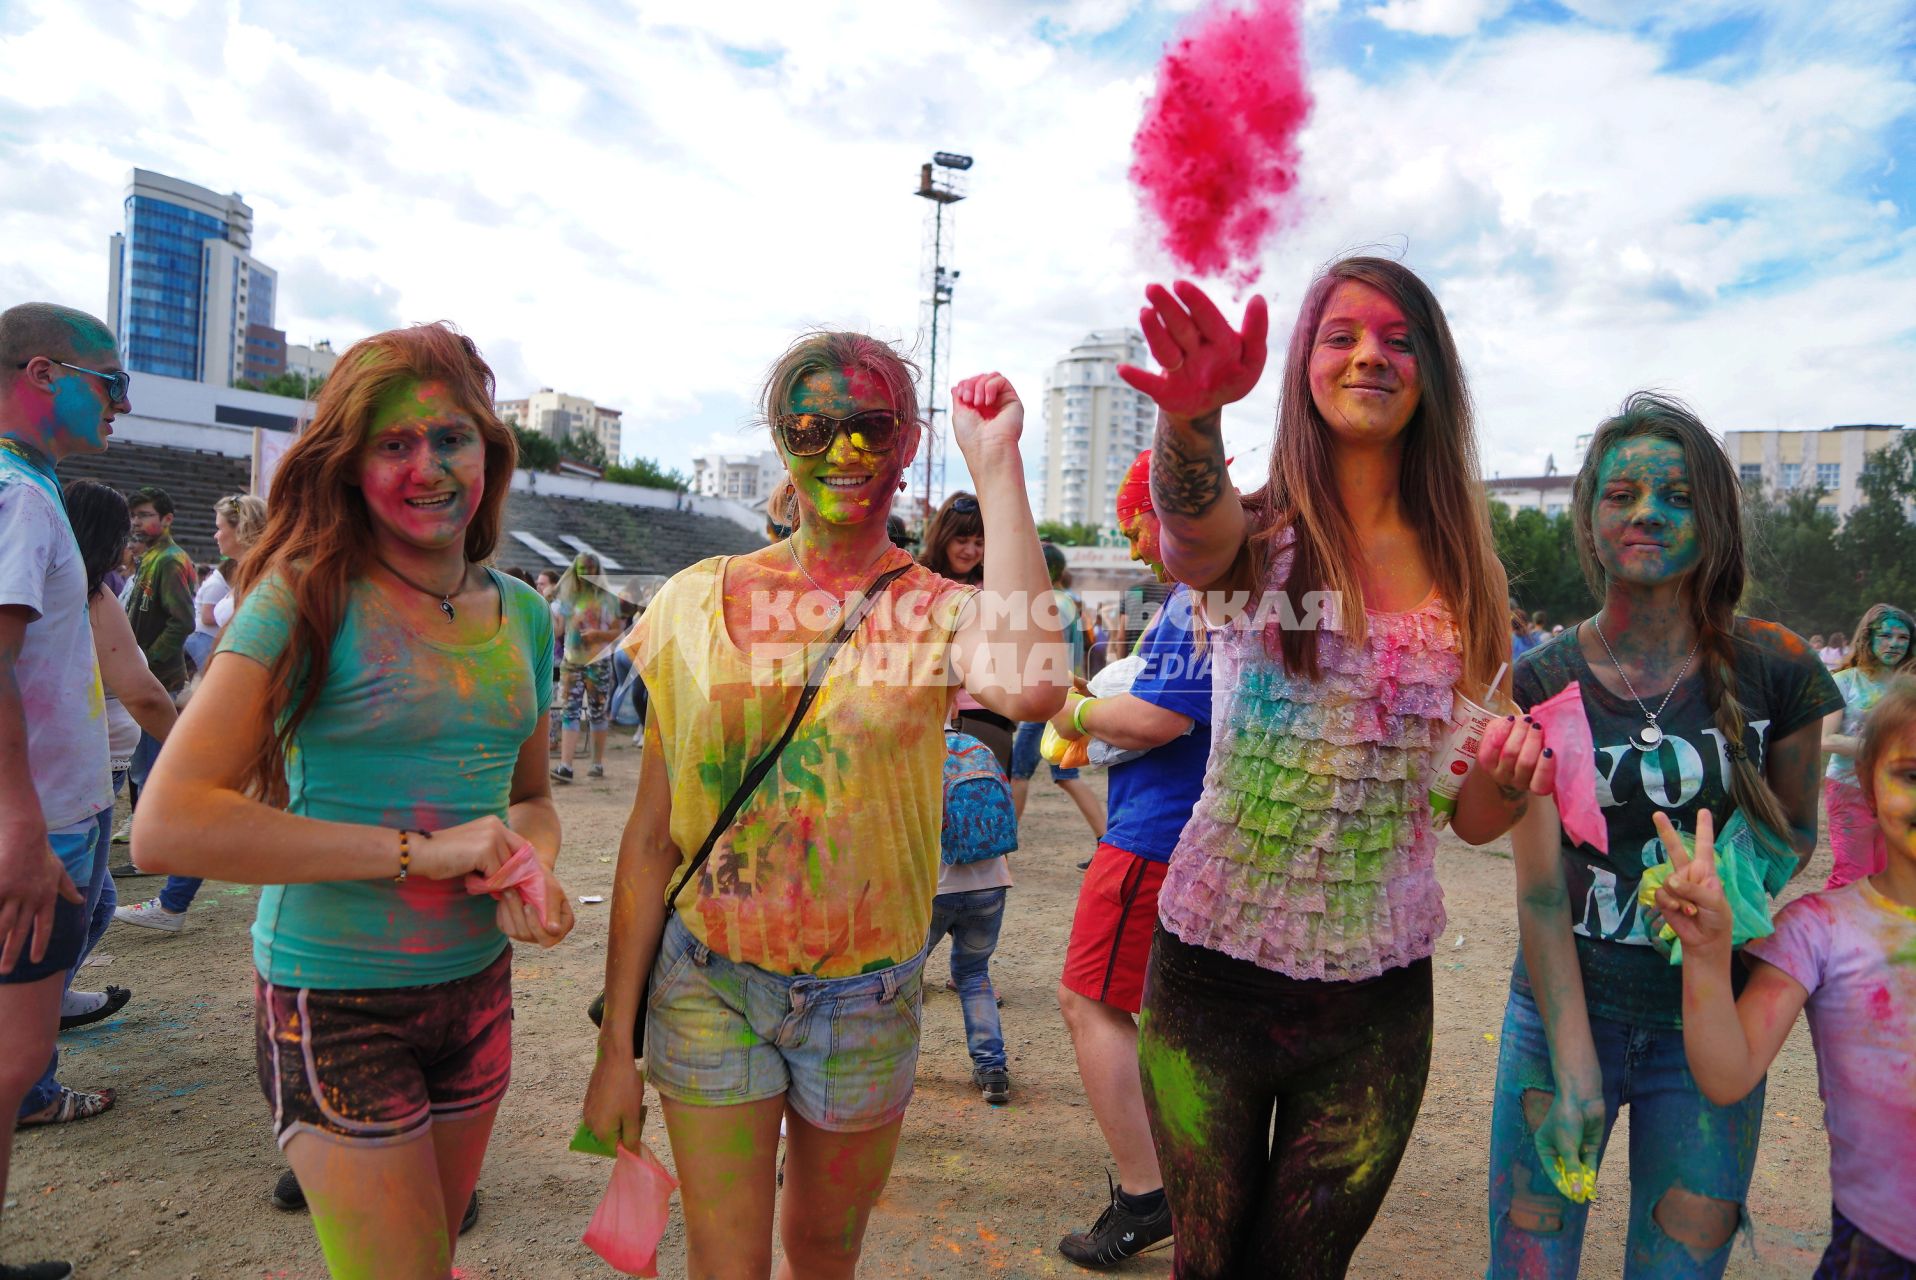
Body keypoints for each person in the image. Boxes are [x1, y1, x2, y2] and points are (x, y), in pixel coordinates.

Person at [583, 333, 1066, 1279]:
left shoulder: (937, 608)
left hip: (868, 994)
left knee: (821, 1253)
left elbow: (1036, 687)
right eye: (815, 425)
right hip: (709, 979)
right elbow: (649, 839)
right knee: (728, 1263)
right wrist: (613, 1048)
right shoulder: (694, 600)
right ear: (780, 438)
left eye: (872, 426)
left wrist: (998, 466)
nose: (845, 450)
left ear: (907, 442)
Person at [1119, 261, 1539, 1279]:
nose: (1368, 355)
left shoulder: (1469, 577)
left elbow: (1467, 814)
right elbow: (1189, 530)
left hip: (1373, 1012)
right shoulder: (1252, 534)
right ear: (1302, 364)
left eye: (1397, 338)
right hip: (1206, 983)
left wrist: (1510, 776)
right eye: (1340, 333)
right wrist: (1190, 420)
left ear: (1429, 372)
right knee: (1206, 1266)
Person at [131, 323, 574, 1280]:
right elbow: (169, 823)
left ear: (490, 453)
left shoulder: (527, 615)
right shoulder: (303, 594)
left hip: (476, 995)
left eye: (450, 438)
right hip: (333, 999)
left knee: (434, 1256)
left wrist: (526, 862)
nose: (429, 467)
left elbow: (529, 796)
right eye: (394, 444)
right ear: (350, 464)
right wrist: (423, 854)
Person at [1486, 392, 1841, 1279]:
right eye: (1623, 494)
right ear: (1591, 518)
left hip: (1711, 1021)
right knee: (1529, 1258)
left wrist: (1726, 886)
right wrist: (1572, 1060)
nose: (1648, 511)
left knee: (1678, 1269)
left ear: (1713, 520)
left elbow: (1796, 832)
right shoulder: (1539, 679)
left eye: (1678, 496)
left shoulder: (1783, 669)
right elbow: (1536, 886)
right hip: (1561, 1009)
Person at [1655, 674, 1916, 1276]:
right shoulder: (1820, 930)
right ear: (1869, 789)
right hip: (1879, 1253)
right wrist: (1707, 953)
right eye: (1913, 774)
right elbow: (1727, 1073)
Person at [1048, 449, 1212, 1269]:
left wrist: (1075, 707)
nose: (1137, 548)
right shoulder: (1215, 599)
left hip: (1152, 839)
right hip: (1182, 835)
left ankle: (1150, 1195)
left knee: (1091, 1004)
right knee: (1170, 1021)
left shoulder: (1194, 605)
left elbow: (1158, 723)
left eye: (1137, 527)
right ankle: (1193, 1176)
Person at [0, 300, 127, 1280]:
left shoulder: (30, 488)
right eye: (108, 381)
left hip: (49, 820)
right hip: (31, 829)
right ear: (43, 374)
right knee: (8, 1065)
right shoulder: (17, 496)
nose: (121, 405)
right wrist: (22, 827)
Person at [13, 480, 175, 1133]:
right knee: (51, 934)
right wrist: (201, 752)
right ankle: (32, 1087)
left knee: (84, 911)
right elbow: (139, 690)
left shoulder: (43, 590)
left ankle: (46, 1014)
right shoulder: (87, 593)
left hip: (56, 787)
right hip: (65, 796)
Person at [118, 492, 267, 928]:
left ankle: (172, 904)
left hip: (247, 707)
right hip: (237, 702)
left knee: (211, 802)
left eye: (221, 525)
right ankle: (172, 904)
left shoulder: (261, 573)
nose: (216, 533)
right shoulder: (243, 571)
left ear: (242, 529)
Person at [1009, 543, 1108, 841]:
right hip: (1066, 694)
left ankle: (1000, 850)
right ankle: (1104, 837)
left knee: (1020, 772)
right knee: (1065, 776)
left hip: (1048, 696)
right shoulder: (1071, 602)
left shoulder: (1047, 603)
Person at [1821, 604, 1914, 890]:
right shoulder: (1844, 681)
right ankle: (1832, 930)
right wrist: (1880, 748)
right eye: (1885, 635)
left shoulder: (1910, 686)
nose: (1894, 644)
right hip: (1850, 789)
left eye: (1902, 638)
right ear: (1867, 637)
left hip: (1900, 790)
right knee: (1852, 873)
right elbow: (1825, 738)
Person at [920, 491, 1012, 769]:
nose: (970, 551)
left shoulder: (995, 586)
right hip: (930, 715)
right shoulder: (920, 581)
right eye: (961, 540)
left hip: (988, 713)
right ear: (943, 537)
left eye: (979, 542)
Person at [549, 551, 621, 783]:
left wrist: (597, 633)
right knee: (570, 710)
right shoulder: (569, 597)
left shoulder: (609, 599)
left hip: (598, 663)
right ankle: (565, 766)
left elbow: (618, 632)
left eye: (590, 568)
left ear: (597, 571)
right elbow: (559, 631)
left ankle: (597, 763)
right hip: (571, 662)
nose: (586, 572)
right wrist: (546, 605)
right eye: (581, 568)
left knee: (597, 712)